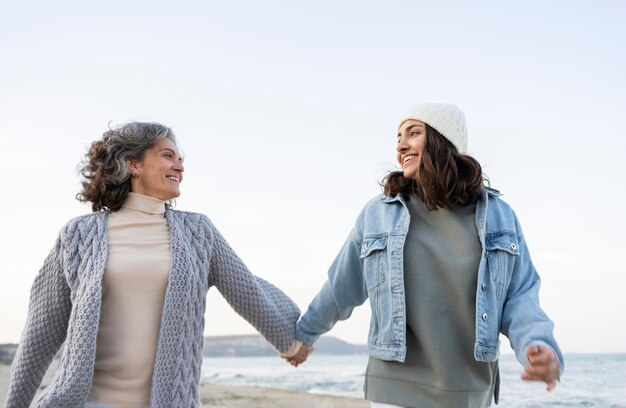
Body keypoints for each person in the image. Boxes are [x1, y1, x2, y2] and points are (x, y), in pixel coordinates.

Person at [5, 122, 302, 408]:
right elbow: (39, 332)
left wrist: (293, 342)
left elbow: (246, 288)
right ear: (133, 164)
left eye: (181, 159)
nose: (180, 167)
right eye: (168, 156)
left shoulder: (198, 233)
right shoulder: (78, 235)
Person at [285, 104, 563, 407]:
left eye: (414, 134)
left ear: (444, 141)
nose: (401, 145)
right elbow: (341, 287)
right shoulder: (379, 213)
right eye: (398, 138)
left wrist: (538, 346)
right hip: (394, 387)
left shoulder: (499, 216)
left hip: (468, 390)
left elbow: (521, 295)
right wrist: (303, 336)